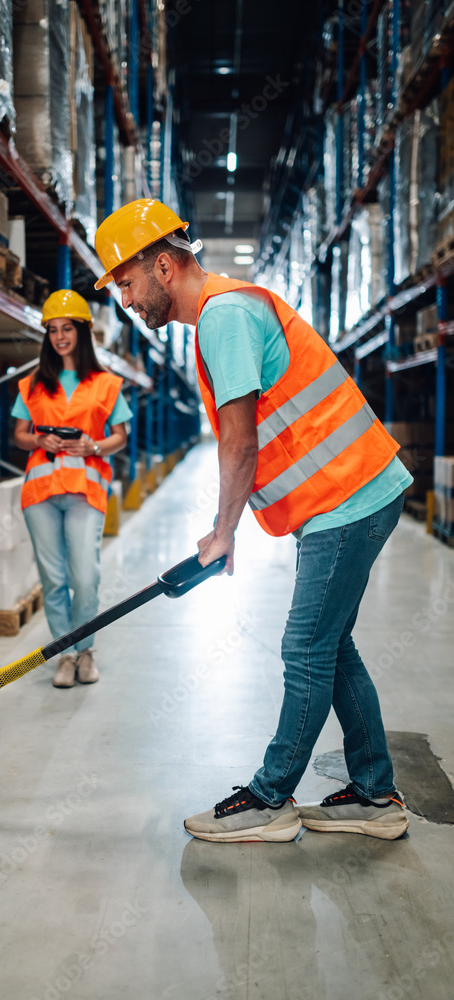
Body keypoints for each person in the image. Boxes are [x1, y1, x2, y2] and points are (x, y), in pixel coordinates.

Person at [94, 198, 413, 843]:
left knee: (304, 648)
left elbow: (239, 443)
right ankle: (376, 796)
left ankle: (270, 800)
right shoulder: (223, 312)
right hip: (349, 494)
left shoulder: (224, 316)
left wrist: (222, 530)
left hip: (350, 497)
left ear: (162, 266)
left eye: (125, 283)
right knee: (330, 647)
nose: (125, 301)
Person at [12, 289, 132, 688]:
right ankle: (65, 655)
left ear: (82, 330)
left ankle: (86, 650)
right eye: (52, 330)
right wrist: (37, 442)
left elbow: (120, 437)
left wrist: (93, 446)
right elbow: (19, 435)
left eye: (67, 328)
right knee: (53, 579)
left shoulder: (106, 383)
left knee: (85, 577)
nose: (59, 336)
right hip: (41, 494)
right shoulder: (32, 383)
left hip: (85, 490)